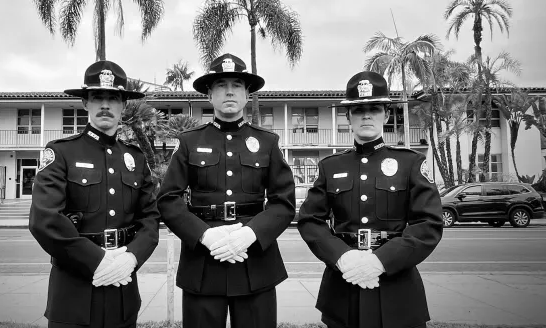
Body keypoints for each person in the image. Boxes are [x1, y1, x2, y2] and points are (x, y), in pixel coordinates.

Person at [157, 53, 296, 328]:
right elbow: (168, 198)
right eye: (221, 85)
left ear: (247, 95)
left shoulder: (267, 142)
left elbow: (283, 202)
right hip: (203, 263)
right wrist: (204, 235)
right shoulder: (189, 142)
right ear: (210, 95)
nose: (229, 90)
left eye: (237, 84)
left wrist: (250, 233)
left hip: (255, 261)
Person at [297, 71, 443, 328]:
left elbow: (428, 223)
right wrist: (342, 257)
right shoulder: (331, 166)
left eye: (374, 108)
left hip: (396, 287)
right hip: (343, 285)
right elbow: (310, 220)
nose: (366, 115)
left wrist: (380, 261)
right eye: (358, 109)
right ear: (348, 117)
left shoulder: (410, 163)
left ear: (386, 114)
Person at [29, 60, 161, 328]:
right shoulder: (62, 153)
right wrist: (96, 260)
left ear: (123, 105)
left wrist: (131, 257)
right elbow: (45, 219)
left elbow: (150, 218)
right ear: (85, 103)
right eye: (97, 97)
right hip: (74, 291)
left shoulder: (134, 157)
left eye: (113, 98)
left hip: (123, 290)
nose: (105, 105)